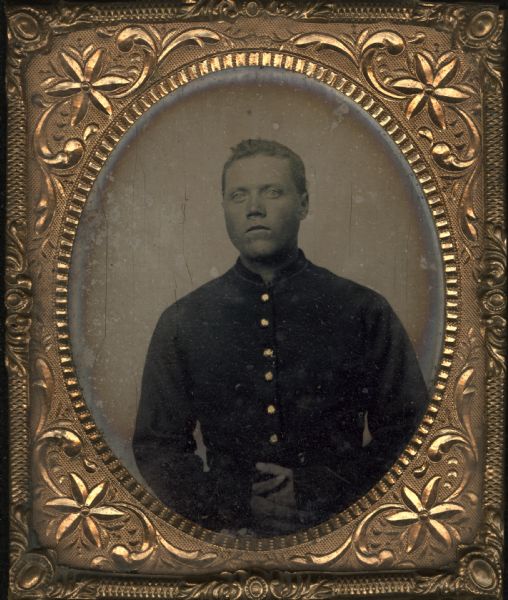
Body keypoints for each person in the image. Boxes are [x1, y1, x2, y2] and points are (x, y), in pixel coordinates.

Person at [133, 139, 428, 536]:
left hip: (346, 534)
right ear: (224, 208)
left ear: (303, 204)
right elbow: (158, 446)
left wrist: (315, 492)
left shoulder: (364, 310)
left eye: (273, 191)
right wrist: (233, 503)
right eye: (239, 195)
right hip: (228, 545)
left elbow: (411, 430)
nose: (254, 207)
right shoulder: (183, 321)